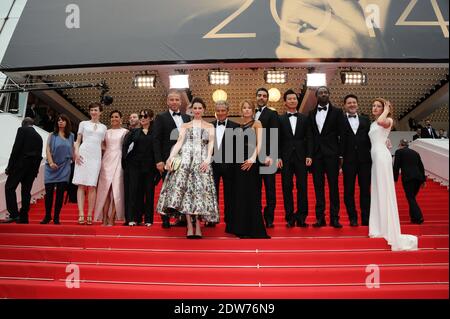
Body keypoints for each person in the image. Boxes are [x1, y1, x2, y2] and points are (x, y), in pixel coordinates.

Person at [156, 97, 219, 238]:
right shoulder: (185, 126)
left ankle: (198, 226)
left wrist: (208, 159)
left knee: (198, 194)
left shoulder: (209, 126)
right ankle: (190, 226)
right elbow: (179, 143)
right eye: (194, 108)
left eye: (199, 108)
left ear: (204, 110)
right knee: (187, 194)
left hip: (201, 161)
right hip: (185, 161)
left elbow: (211, 144)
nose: (197, 110)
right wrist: (171, 157)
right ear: (191, 110)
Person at [368, 98, 417, 251]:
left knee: (384, 190)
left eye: (378, 106)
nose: (375, 108)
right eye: (373, 106)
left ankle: (387, 228)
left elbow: (383, 123)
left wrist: (387, 110)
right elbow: (378, 134)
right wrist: (386, 138)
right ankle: (379, 227)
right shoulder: (373, 123)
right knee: (377, 191)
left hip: (382, 157)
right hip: (376, 157)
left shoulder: (387, 119)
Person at [227, 100, 270, 239]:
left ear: (253, 110)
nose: (246, 110)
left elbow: (260, 144)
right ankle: (241, 228)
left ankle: (253, 229)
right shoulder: (238, 126)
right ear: (241, 110)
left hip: (251, 162)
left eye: (249, 108)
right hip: (238, 163)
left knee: (252, 194)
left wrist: (252, 158)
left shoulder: (257, 124)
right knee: (240, 194)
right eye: (244, 108)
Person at [153, 89, 191, 228]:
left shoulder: (187, 118)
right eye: (172, 99)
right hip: (167, 160)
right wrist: (159, 160)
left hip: (184, 160)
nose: (174, 102)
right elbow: (156, 140)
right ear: (167, 101)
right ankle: (165, 219)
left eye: (177, 100)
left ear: (181, 102)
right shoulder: (160, 117)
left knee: (182, 189)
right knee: (167, 189)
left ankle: (181, 218)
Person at [307, 86, 343, 228]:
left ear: (329, 95)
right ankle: (320, 218)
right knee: (318, 187)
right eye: (321, 92)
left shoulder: (338, 112)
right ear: (316, 96)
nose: (323, 94)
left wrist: (340, 154)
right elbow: (309, 136)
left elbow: (342, 134)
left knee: (334, 187)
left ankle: (335, 218)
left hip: (332, 155)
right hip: (316, 156)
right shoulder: (311, 113)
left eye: (325, 92)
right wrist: (309, 154)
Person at [277, 89, 312, 228]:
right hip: (285, 158)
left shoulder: (305, 118)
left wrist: (309, 155)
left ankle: (302, 217)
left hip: (301, 157)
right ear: (285, 102)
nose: (292, 101)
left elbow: (309, 137)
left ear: (297, 101)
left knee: (302, 187)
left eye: (294, 99)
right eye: (289, 99)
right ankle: (290, 218)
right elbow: (277, 139)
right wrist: (278, 156)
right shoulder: (279, 119)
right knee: (286, 187)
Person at [73, 102, 107, 225]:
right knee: (81, 185)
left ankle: (90, 214)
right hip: (83, 154)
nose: (93, 112)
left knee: (92, 185)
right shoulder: (83, 124)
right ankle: (81, 213)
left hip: (96, 156)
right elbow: (77, 141)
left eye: (96, 110)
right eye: (91, 110)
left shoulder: (104, 127)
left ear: (100, 112)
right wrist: (76, 153)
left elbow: (103, 145)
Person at [3, 117, 43, 224]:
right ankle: (24, 217)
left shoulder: (22, 130)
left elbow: (16, 149)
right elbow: (39, 156)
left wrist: (9, 166)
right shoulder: (39, 137)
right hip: (32, 168)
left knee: (9, 187)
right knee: (26, 192)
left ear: (23, 124)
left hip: (20, 165)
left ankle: (14, 214)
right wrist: (35, 171)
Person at [122, 109, 158, 226]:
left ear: (151, 118)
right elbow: (125, 147)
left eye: (145, 116)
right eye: (141, 116)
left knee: (149, 193)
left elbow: (158, 150)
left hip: (150, 167)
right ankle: (132, 218)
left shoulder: (155, 133)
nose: (142, 118)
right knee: (133, 192)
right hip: (134, 166)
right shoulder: (134, 132)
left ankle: (148, 219)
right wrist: (125, 162)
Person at [340, 94, 372, 227]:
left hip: (365, 160)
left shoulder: (366, 120)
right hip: (348, 160)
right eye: (349, 103)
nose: (352, 104)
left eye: (354, 102)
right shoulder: (340, 120)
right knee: (349, 191)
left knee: (365, 190)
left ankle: (366, 218)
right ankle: (352, 217)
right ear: (345, 105)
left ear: (357, 104)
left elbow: (372, 137)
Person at [94, 110, 128, 226]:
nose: (114, 119)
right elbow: (101, 145)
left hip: (119, 160)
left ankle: (112, 218)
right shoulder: (106, 132)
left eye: (117, 117)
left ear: (121, 118)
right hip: (106, 161)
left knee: (116, 190)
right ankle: (104, 217)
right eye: (112, 117)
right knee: (105, 190)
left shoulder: (125, 132)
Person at [40, 114, 74, 225]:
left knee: (60, 194)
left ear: (67, 123)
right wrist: (51, 162)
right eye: (59, 120)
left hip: (64, 167)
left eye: (63, 120)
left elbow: (73, 151)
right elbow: (48, 150)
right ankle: (47, 215)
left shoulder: (71, 136)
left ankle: (56, 217)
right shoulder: (51, 135)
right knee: (49, 193)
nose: (60, 122)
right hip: (51, 167)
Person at [210, 100, 239, 228]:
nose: (220, 113)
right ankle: (211, 218)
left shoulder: (236, 126)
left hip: (230, 166)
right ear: (215, 112)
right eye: (218, 111)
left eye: (223, 111)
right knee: (212, 193)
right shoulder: (209, 126)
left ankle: (230, 218)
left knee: (230, 194)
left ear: (228, 112)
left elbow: (238, 149)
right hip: (212, 166)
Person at [254, 87, 279, 228]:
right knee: (255, 189)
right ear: (256, 97)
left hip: (268, 158)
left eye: (264, 95)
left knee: (270, 189)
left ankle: (269, 218)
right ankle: (257, 217)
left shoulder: (272, 113)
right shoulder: (251, 114)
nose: (261, 97)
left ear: (267, 98)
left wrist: (271, 155)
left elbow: (274, 135)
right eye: (259, 95)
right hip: (253, 158)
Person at [393, 139, 426, 224]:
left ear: (400, 144)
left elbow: (396, 166)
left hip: (408, 178)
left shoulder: (399, 152)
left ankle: (419, 217)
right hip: (418, 178)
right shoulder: (415, 153)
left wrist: (394, 178)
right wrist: (423, 180)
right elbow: (421, 167)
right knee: (412, 197)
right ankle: (414, 218)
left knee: (410, 198)